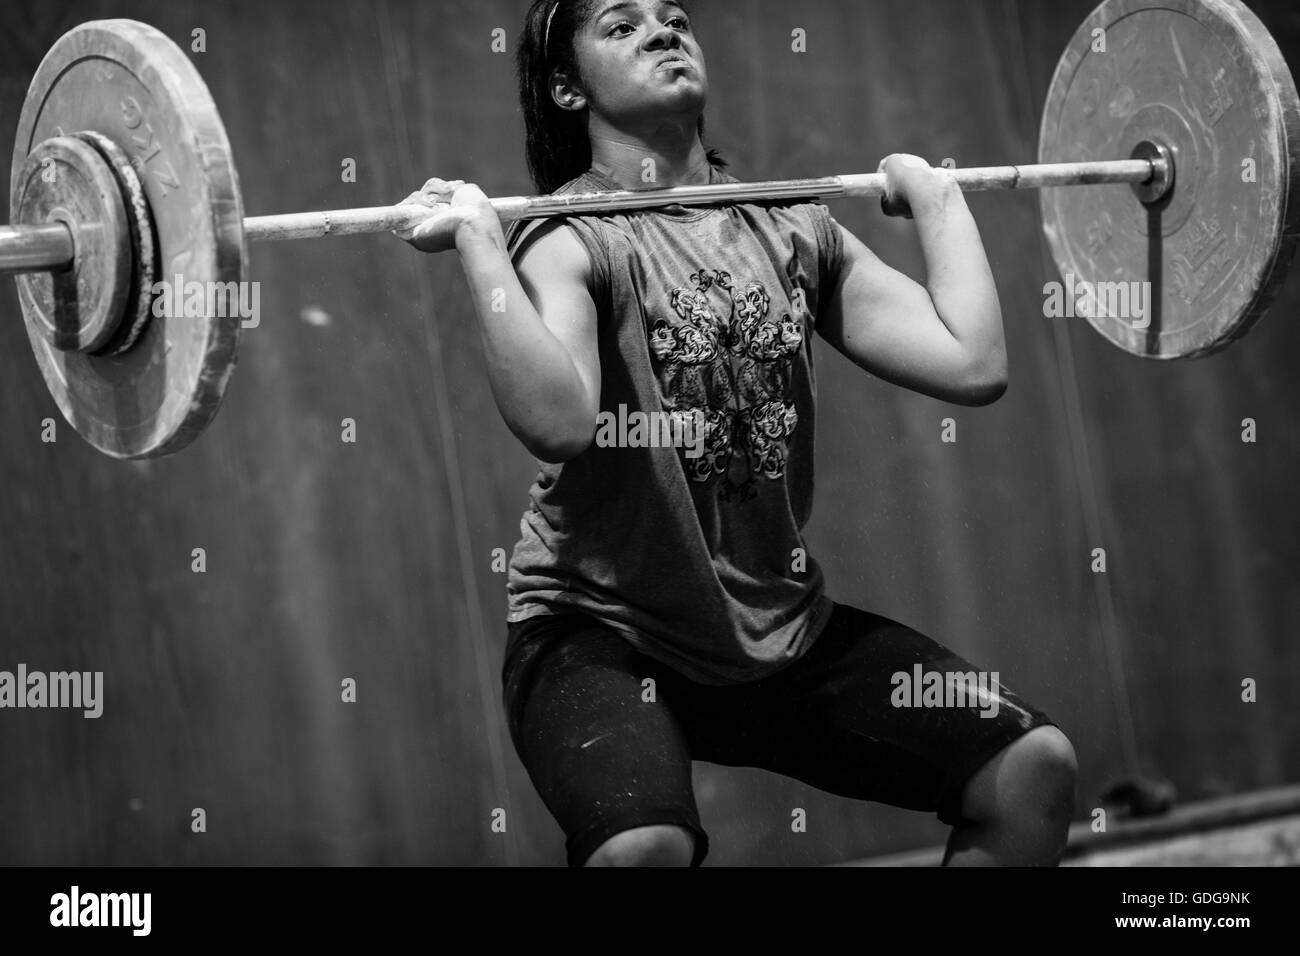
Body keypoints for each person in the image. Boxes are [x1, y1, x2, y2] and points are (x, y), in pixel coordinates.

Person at [397, 0, 1077, 866]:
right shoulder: (568, 239)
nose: (662, 30)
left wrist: (939, 201)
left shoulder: (792, 226)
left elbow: (972, 363)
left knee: (1031, 770)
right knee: (641, 851)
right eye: (621, 24)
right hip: (600, 631)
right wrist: (482, 246)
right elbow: (560, 425)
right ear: (567, 88)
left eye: (673, 15)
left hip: (776, 628)